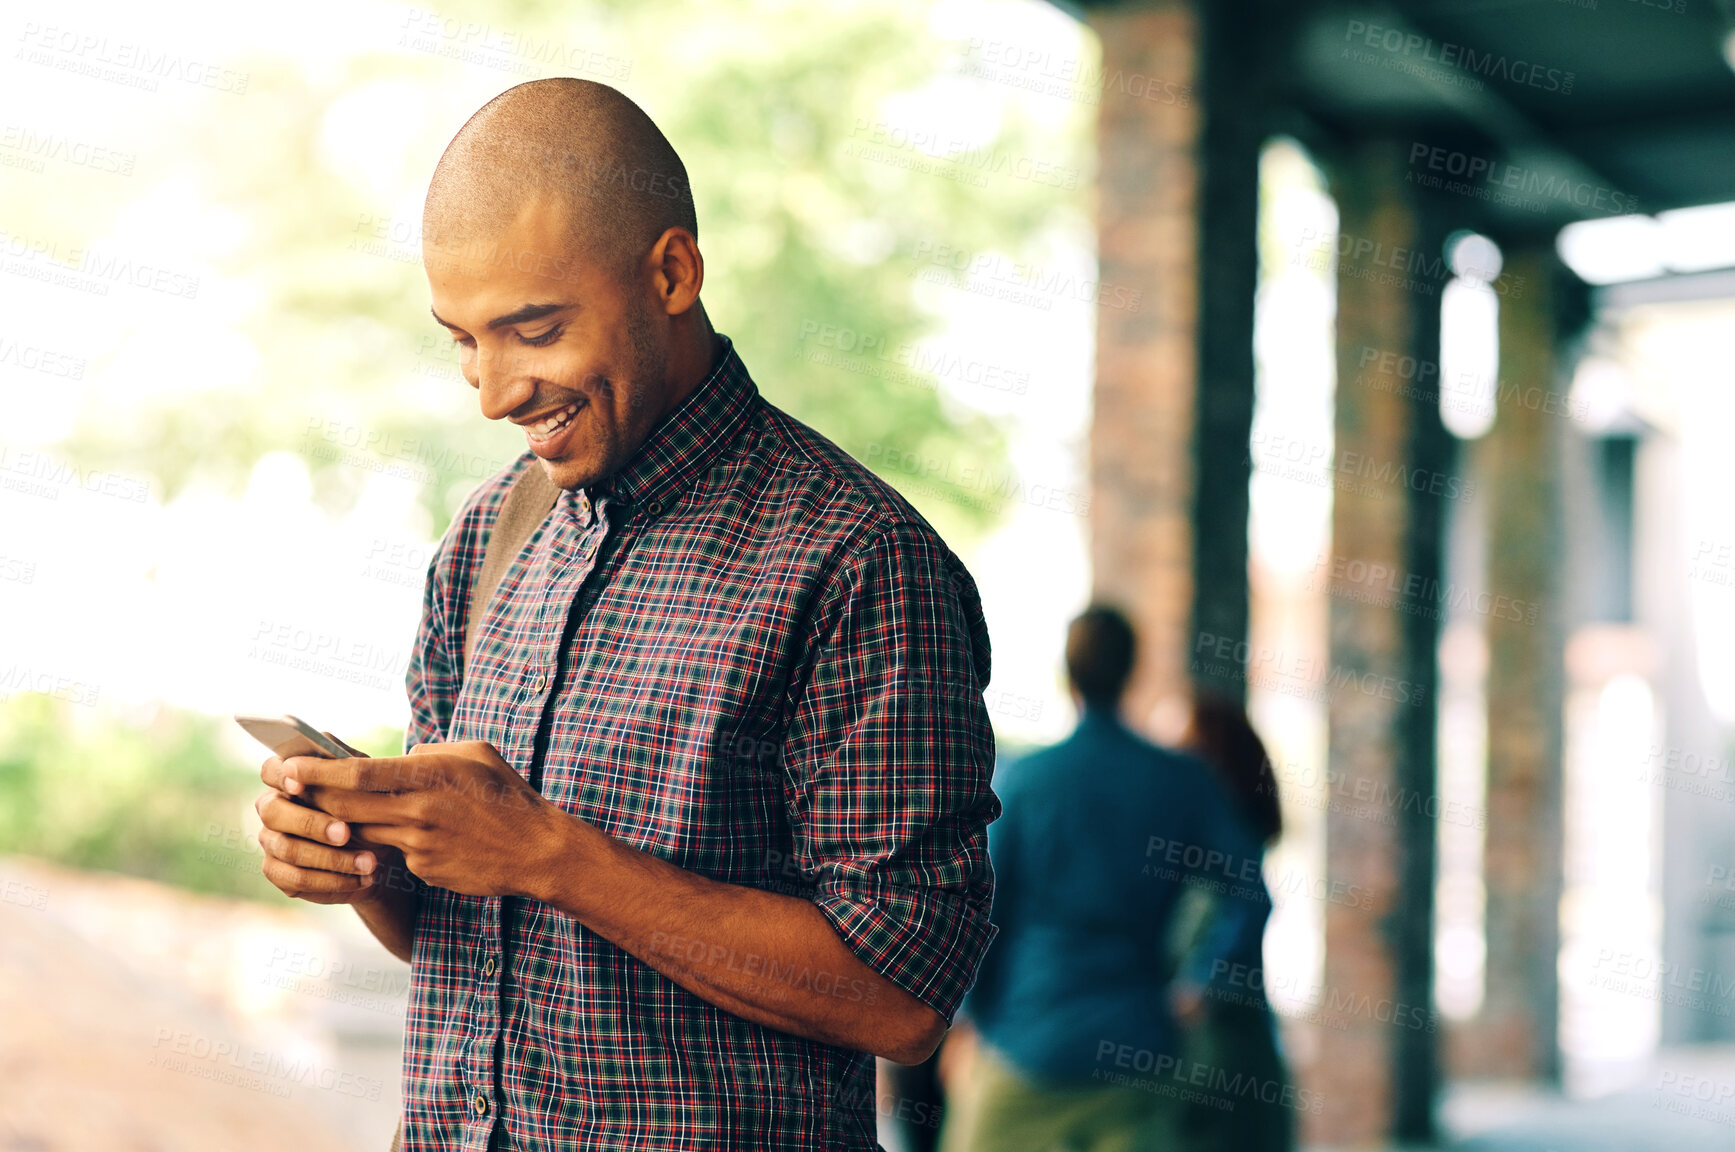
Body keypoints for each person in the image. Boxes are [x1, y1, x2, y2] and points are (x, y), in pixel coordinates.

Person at [249, 78, 1001, 1150]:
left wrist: (550, 853)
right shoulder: (486, 538)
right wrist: (369, 866)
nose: (494, 392)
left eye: (534, 331)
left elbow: (899, 999)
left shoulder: (858, 564)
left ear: (672, 273)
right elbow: (478, 942)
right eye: (462, 339)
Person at [938, 605, 1272, 1152]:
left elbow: (982, 914)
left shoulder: (1026, 783)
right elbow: (1250, 893)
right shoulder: (1180, 782)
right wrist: (1202, 981)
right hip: (1136, 1050)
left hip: (1027, 1043)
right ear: (1131, 671)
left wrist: (968, 1020)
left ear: (1066, 674)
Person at [1172, 692, 1296, 1152]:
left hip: (1216, 1039)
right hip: (1242, 1037)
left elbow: (1251, 904)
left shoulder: (1217, 833)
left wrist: (1198, 982)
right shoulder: (1238, 828)